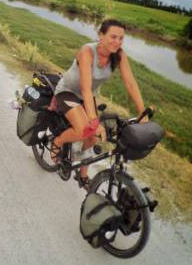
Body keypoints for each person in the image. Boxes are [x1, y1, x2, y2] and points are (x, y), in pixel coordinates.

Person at [50, 19, 147, 189]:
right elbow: (85, 89)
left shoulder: (119, 55)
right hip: (68, 92)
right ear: (101, 35)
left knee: (93, 137)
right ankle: (57, 141)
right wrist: (94, 121)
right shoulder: (87, 52)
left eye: (121, 38)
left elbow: (130, 83)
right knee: (84, 130)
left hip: (88, 96)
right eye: (113, 37)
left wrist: (142, 113)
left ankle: (82, 174)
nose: (117, 42)